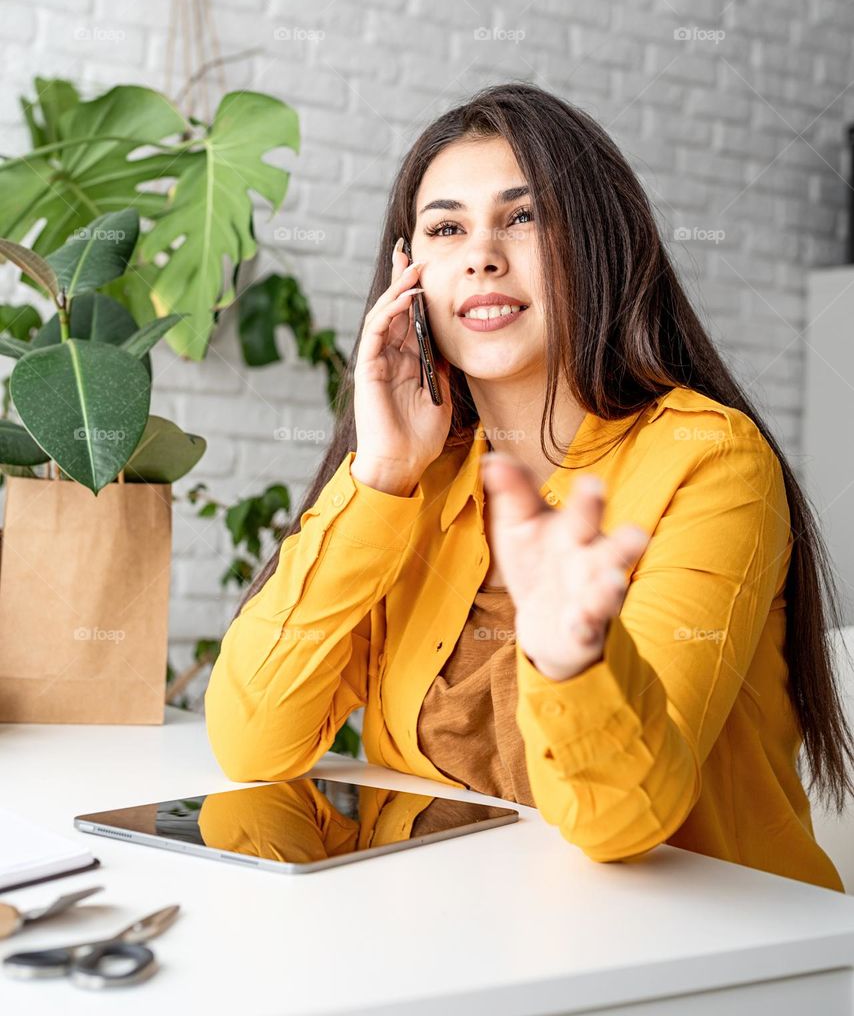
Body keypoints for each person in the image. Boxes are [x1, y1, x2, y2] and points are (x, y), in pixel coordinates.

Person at [204, 82, 853, 892]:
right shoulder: (419, 477)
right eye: (446, 228)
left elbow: (621, 822)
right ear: (408, 277)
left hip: (702, 958)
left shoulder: (709, 458)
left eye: (523, 216)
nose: (481, 253)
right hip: (455, 934)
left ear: (599, 243)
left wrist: (576, 657)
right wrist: (379, 477)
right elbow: (252, 741)